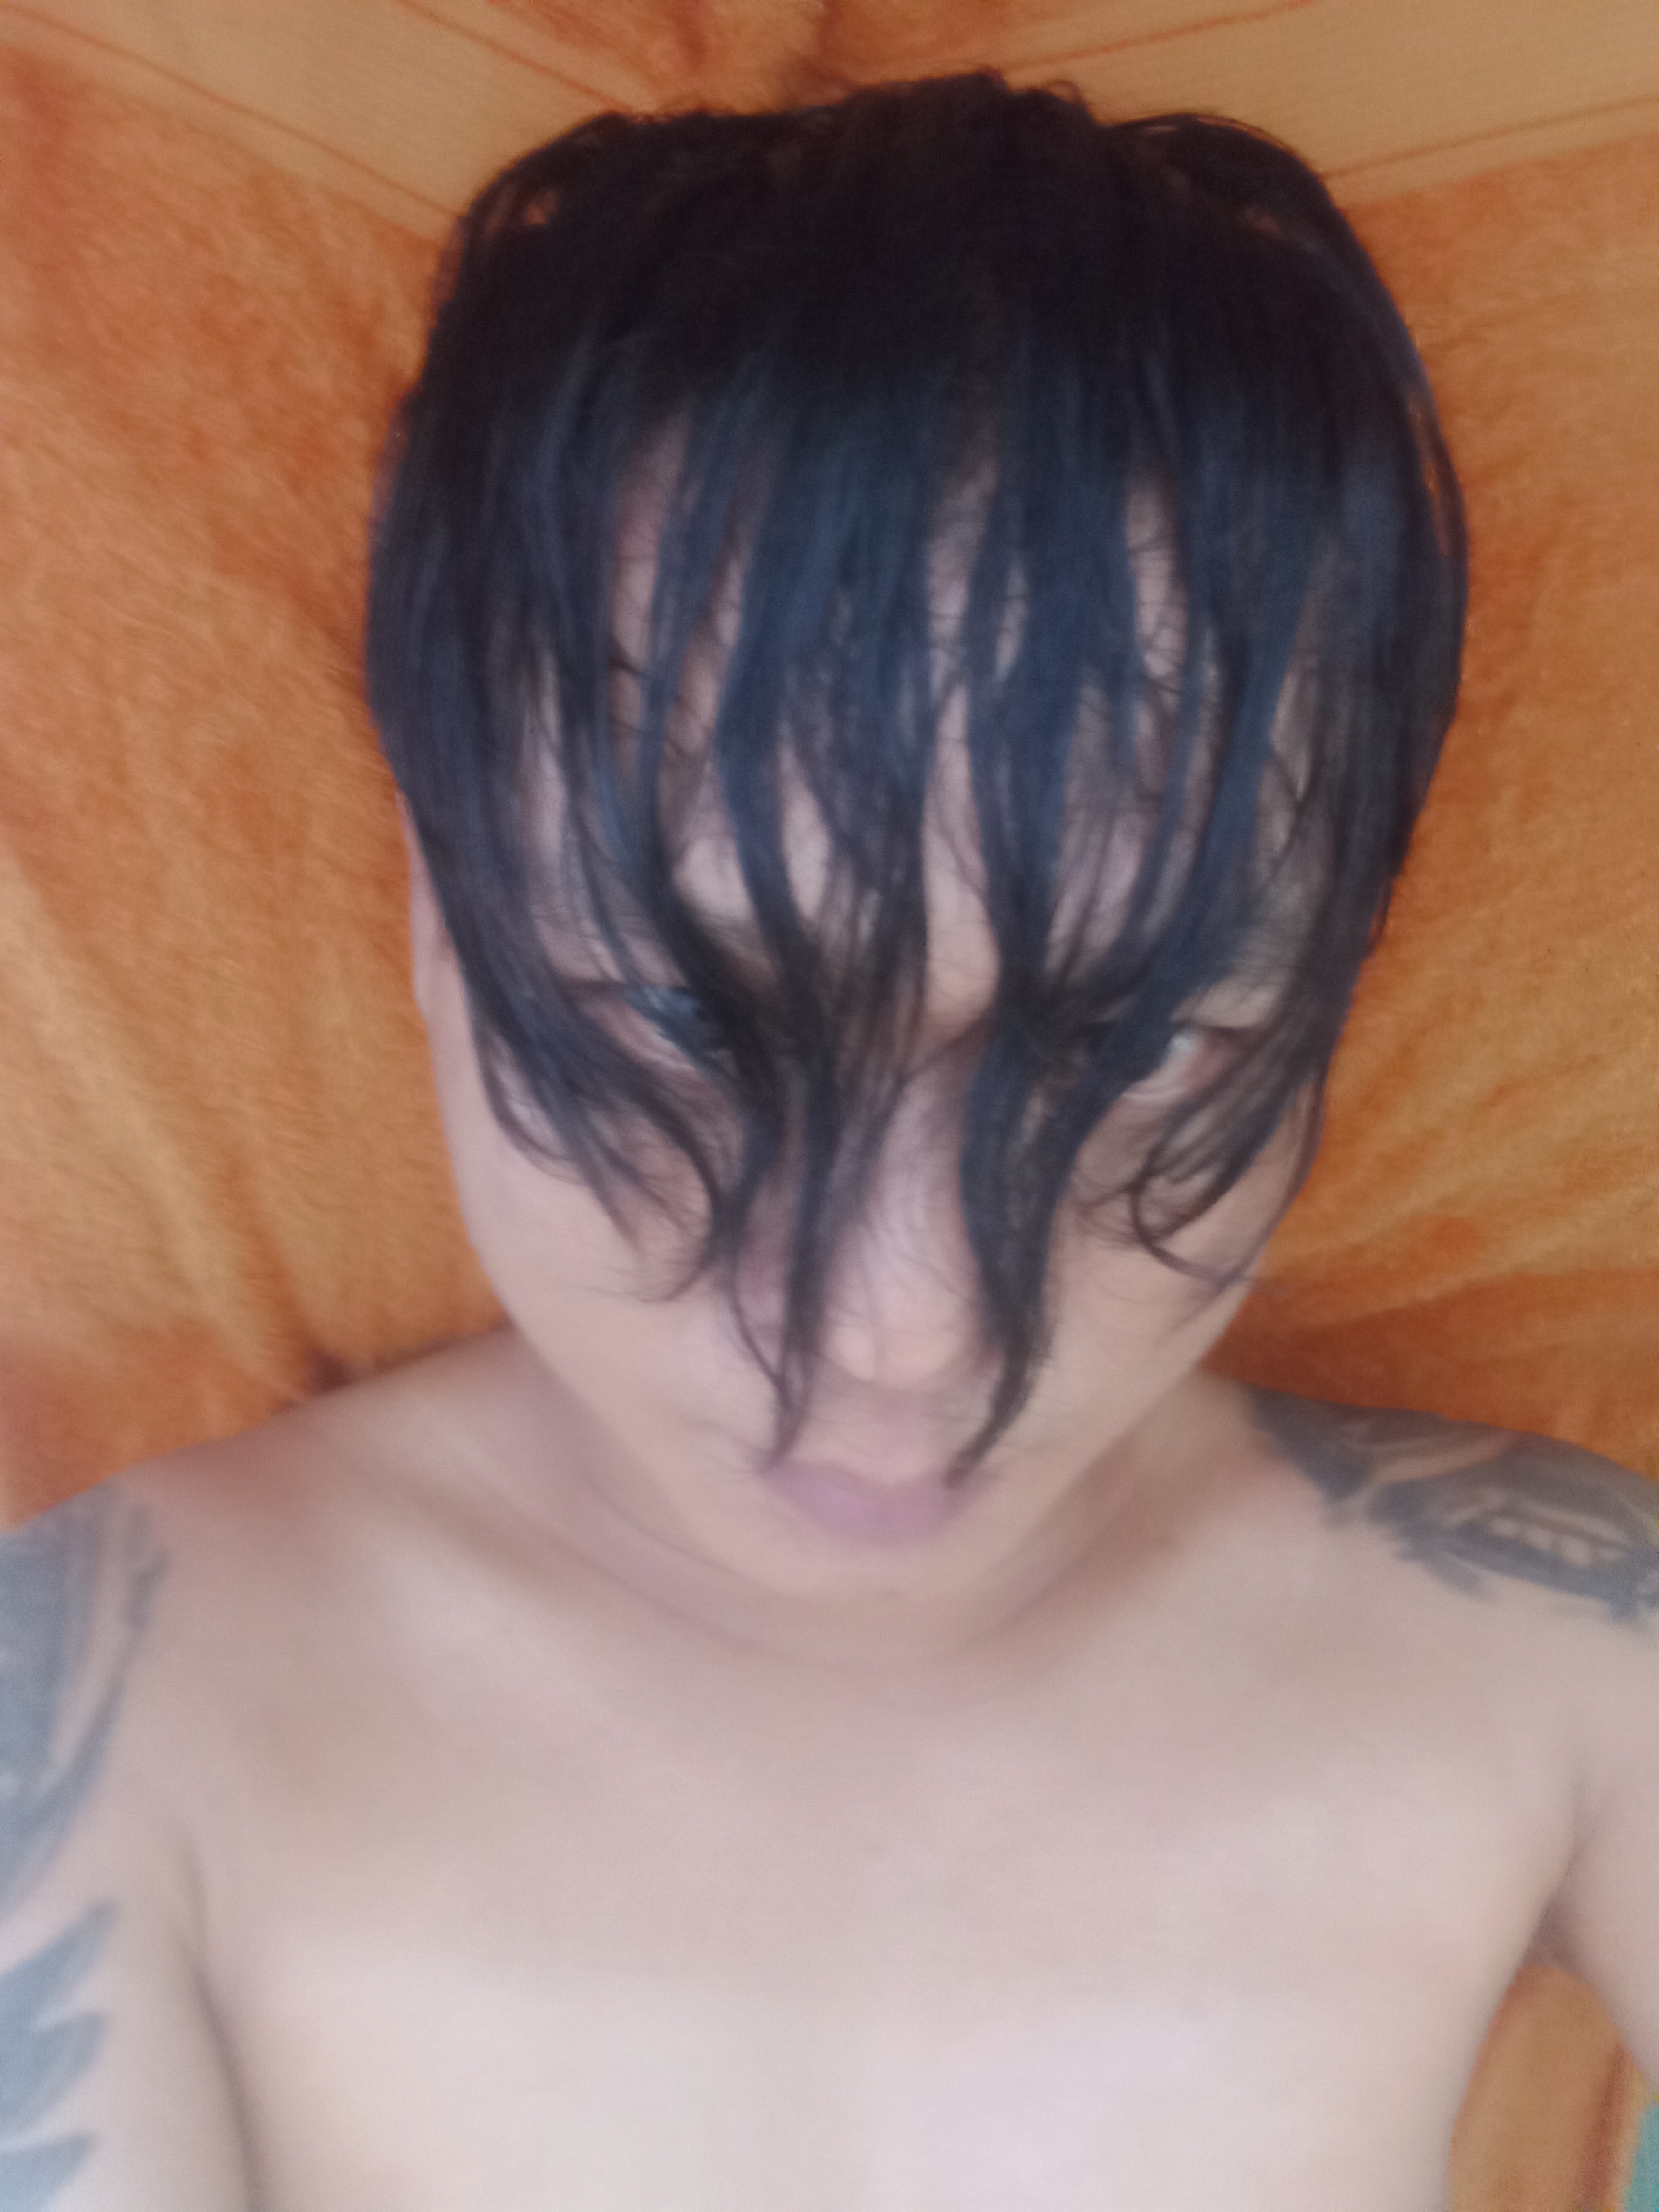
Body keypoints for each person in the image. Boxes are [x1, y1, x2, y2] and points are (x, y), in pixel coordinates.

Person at [1, 68, 1654, 2211]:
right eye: (689, 1020)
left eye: (1147, 1039)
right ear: (435, 909)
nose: (904, 1334)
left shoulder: (1563, 1646)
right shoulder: (104, 1701)